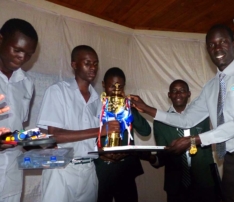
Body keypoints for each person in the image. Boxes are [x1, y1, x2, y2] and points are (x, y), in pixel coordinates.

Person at [130, 24, 234, 202]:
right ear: (207, 50)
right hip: (231, 161)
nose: (217, 48)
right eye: (211, 45)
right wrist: (147, 108)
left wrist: (193, 140)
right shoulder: (210, 88)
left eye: (222, 42)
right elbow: (187, 119)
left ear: (233, 44)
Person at [36, 45, 119, 202]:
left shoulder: (98, 100)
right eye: (87, 63)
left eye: (95, 63)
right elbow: (54, 135)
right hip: (61, 169)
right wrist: (99, 130)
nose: (93, 68)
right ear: (74, 65)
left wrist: (104, 152)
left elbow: (91, 141)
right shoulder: (58, 91)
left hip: (88, 169)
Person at [144, 79, 219, 202]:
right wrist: (151, 158)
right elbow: (162, 157)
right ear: (169, 95)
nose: (178, 94)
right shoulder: (160, 122)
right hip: (175, 185)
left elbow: (212, 138)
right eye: (174, 91)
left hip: (204, 182)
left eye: (182, 91)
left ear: (189, 94)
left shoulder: (203, 116)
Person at [94, 67, 151, 202]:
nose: (115, 90)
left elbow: (146, 131)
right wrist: (100, 154)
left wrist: (130, 108)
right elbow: (88, 136)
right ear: (103, 84)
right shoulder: (96, 106)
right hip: (101, 169)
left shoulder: (128, 107)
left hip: (125, 169)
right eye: (111, 86)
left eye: (120, 86)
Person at [0, 18, 38, 202]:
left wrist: (35, 144)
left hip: (12, 174)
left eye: (28, 55)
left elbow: (18, 127)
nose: (22, 58)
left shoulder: (27, 84)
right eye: (17, 50)